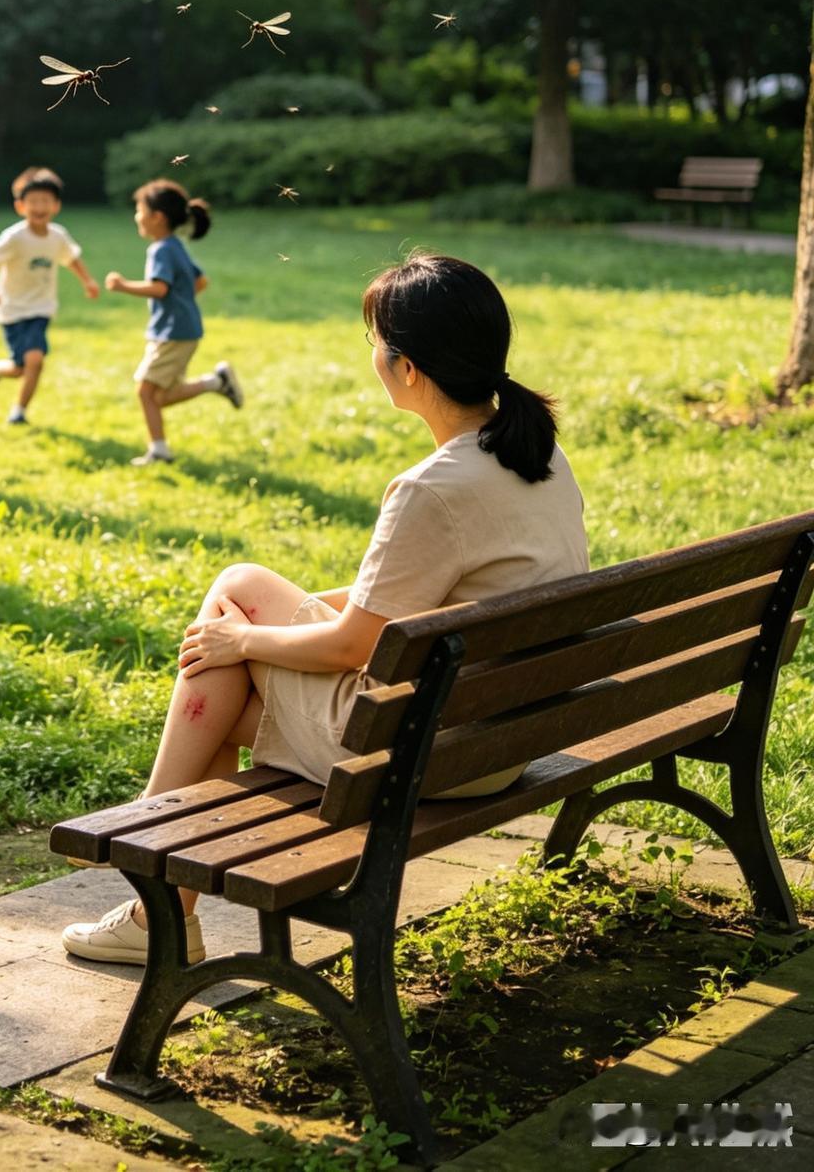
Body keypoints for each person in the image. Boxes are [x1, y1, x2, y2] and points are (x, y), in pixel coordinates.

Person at [62, 249, 588, 965]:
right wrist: (269, 628)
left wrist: (244, 643)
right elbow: (423, 595)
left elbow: (351, 647)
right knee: (233, 644)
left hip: (423, 754)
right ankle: (157, 908)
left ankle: (144, 835)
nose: (371, 353)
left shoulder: (432, 489)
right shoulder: (537, 452)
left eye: (375, 339)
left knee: (232, 610)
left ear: (407, 368)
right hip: (500, 739)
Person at [104, 180, 243, 467]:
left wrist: (122, 285)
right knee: (161, 396)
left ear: (157, 217)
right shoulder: (174, 246)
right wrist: (182, 303)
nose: (136, 216)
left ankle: (159, 451)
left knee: (145, 392)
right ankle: (217, 382)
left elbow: (160, 289)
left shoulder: (161, 250)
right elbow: (200, 281)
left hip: (173, 331)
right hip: (181, 329)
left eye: (139, 210)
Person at [0, 167, 99, 425]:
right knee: (20, 368)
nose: (39, 207)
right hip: (12, 309)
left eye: (46, 201)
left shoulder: (58, 236)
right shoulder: (15, 237)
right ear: (20, 206)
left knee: (34, 361)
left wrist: (88, 281)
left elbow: (71, 258)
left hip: (41, 308)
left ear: (56, 205)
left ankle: (19, 411)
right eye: (33, 201)